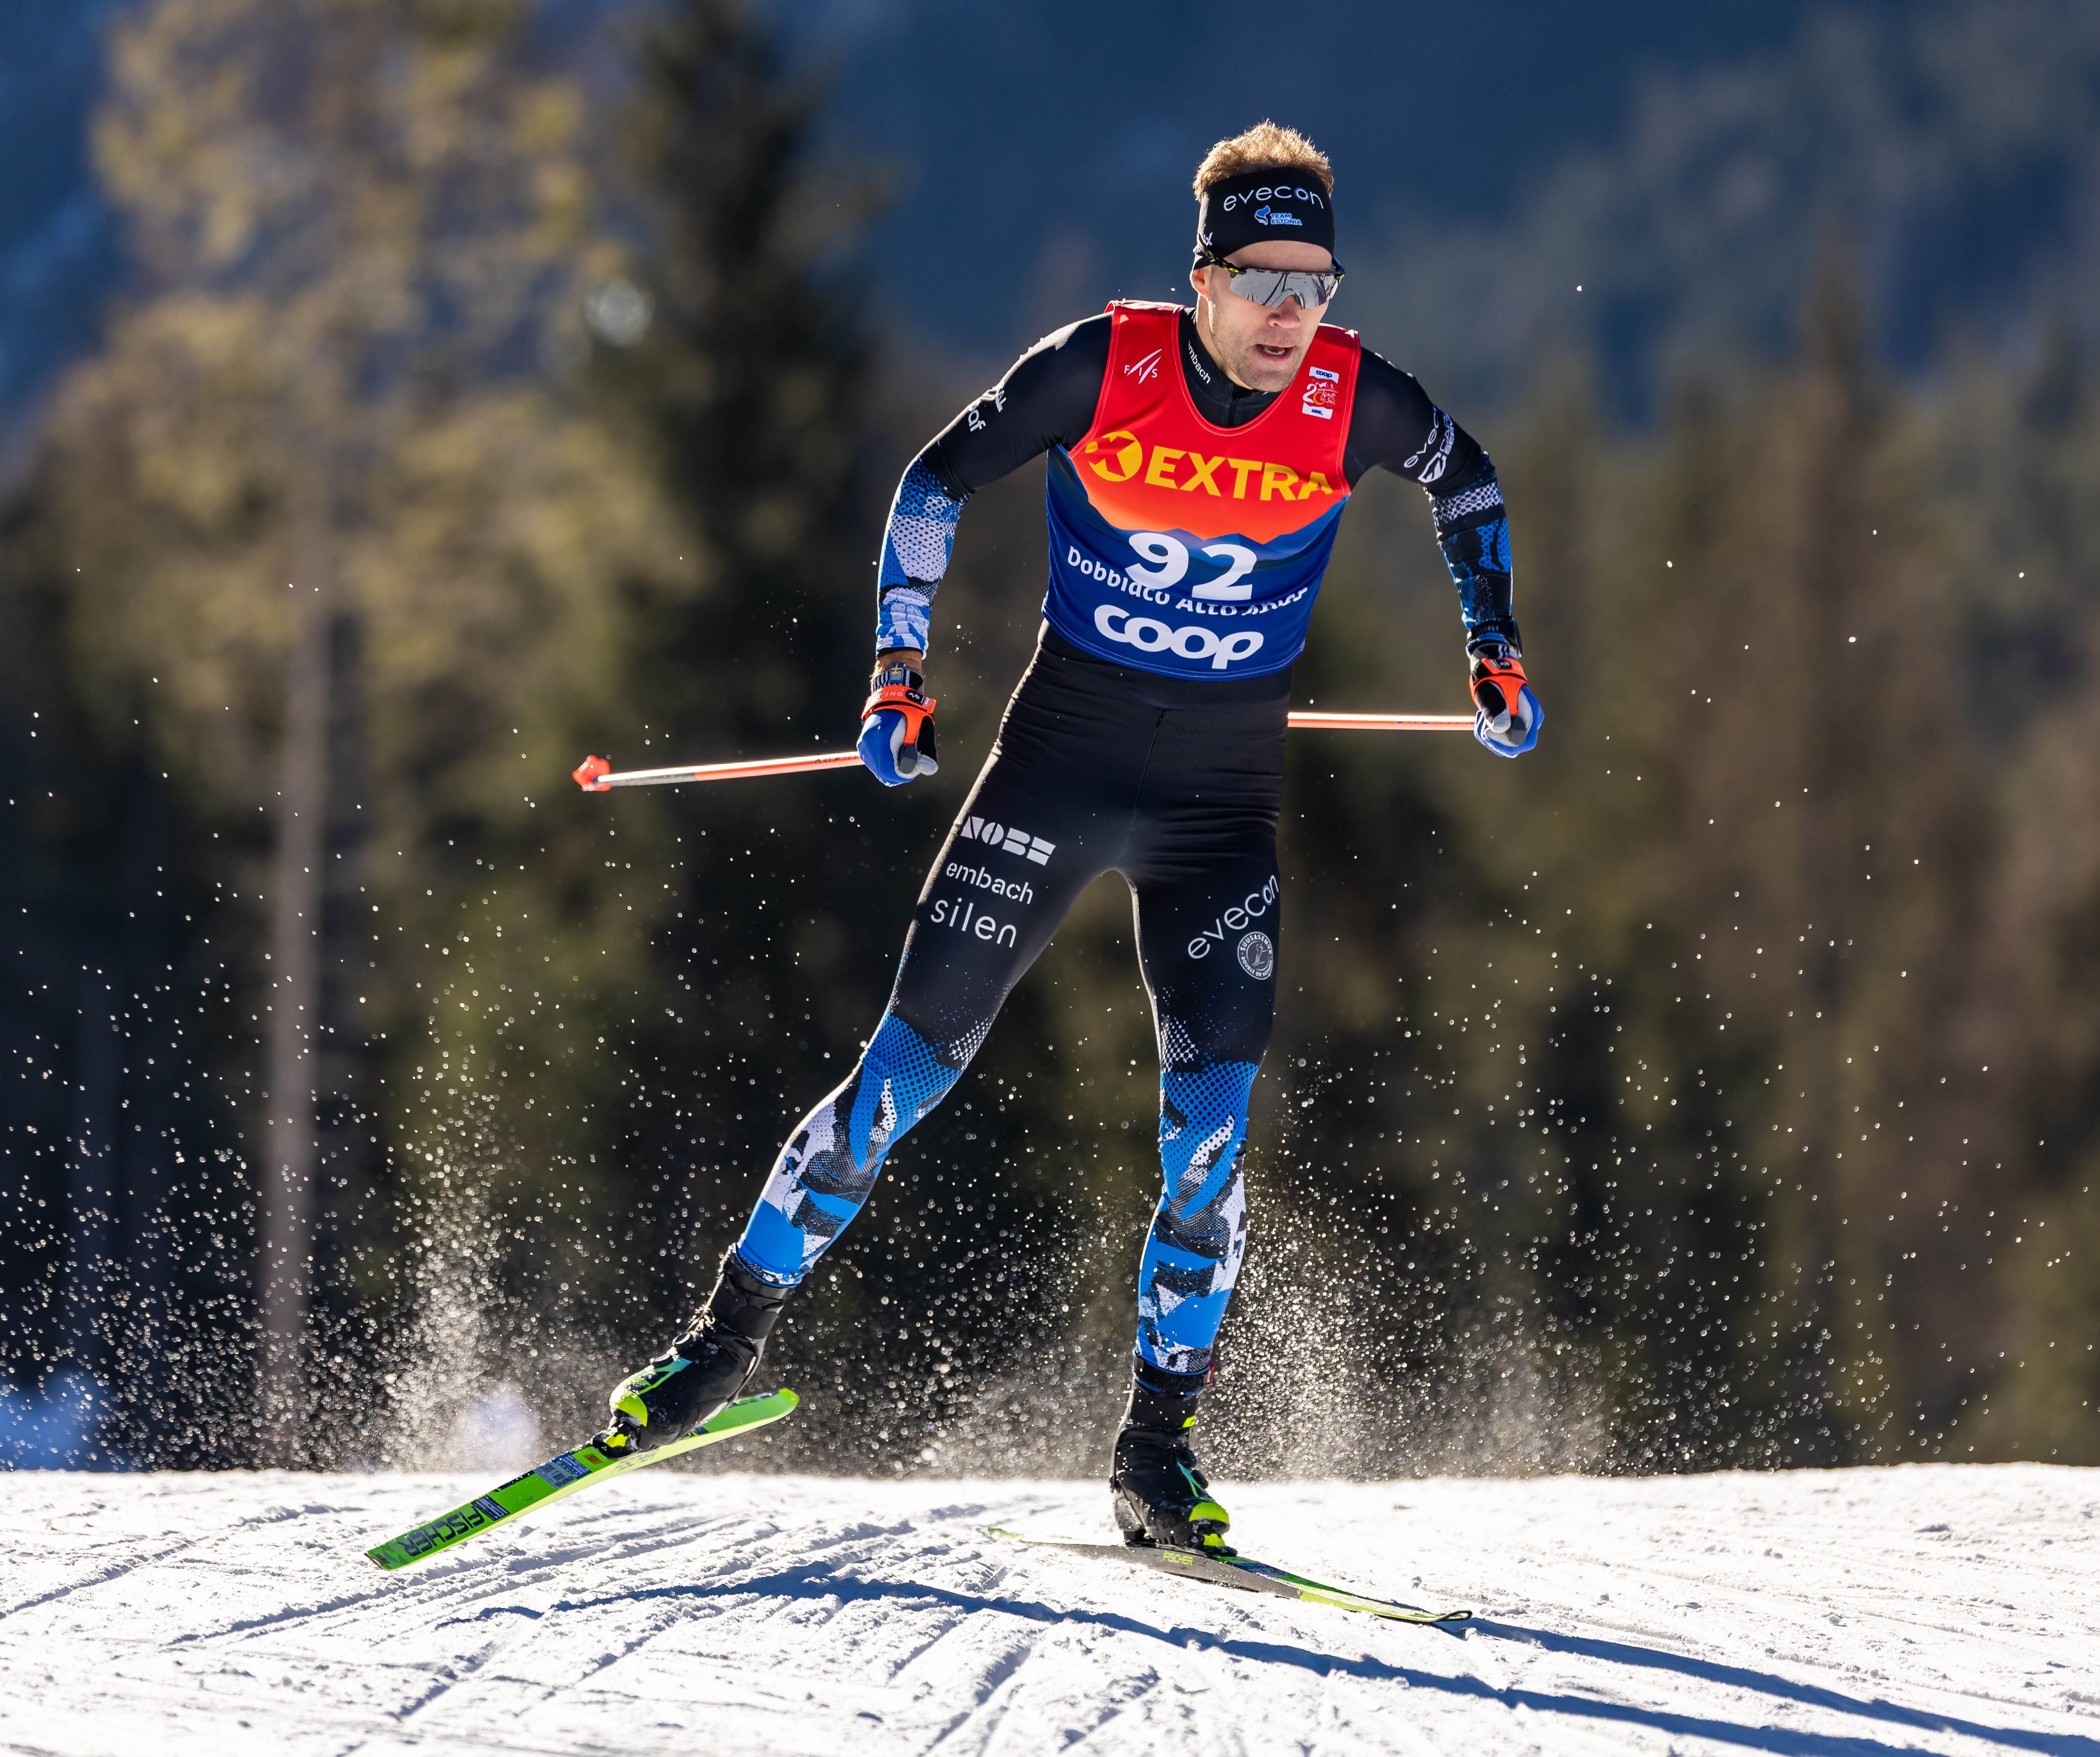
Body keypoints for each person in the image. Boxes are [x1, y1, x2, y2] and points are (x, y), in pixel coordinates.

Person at [594, 121, 1539, 1554]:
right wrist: (894, 676)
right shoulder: (1107, 366)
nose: (1293, 315)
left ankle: (1156, 1456)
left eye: (1317, 284)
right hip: (1056, 775)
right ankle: (719, 1351)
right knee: (899, 1081)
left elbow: (1467, 482)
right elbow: (930, 486)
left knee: (1208, 1140)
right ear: (1203, 280)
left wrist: (1497, 653)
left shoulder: (1356, 399)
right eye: (1265, 281)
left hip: (1218, 818)